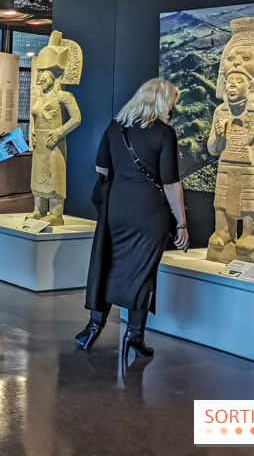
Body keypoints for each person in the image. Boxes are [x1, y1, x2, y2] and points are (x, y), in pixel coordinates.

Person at [77, 78, 189, 358]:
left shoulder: (116, 127)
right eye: (172, 102)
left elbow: (101, 167)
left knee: (109, 264)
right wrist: (183, 223)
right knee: (142, 273)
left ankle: (93, 328)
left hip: (117, 206)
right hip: (149, 212)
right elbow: (171, 183)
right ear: (163, 102)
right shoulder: (164, 133)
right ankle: (134, 336)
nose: (173, 108)